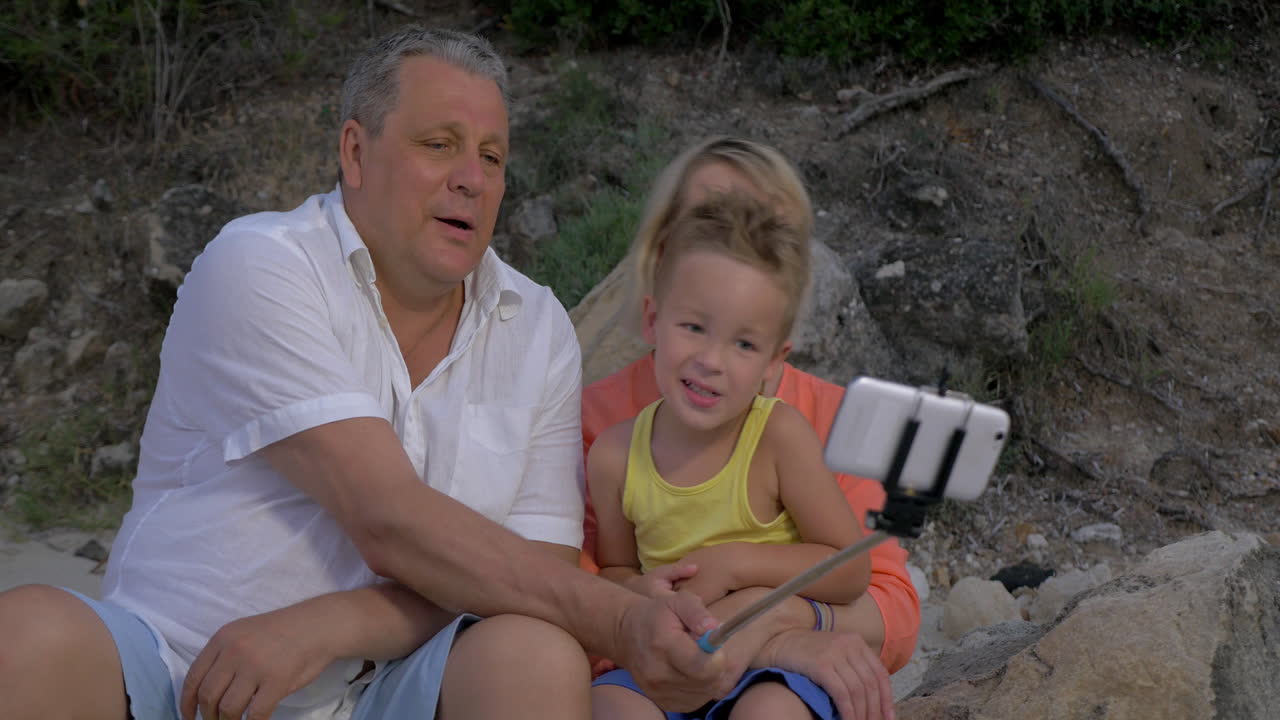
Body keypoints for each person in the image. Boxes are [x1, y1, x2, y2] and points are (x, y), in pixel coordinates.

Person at [0, 27, 757, 720]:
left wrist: (332, 626)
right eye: (440, 144)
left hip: (382, 690)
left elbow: (533, 573)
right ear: (355, 153)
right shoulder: (263, 264)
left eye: (492, 157)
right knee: (28, 632)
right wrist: (623, 621)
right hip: (178, 671)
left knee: (531, 651)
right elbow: (386, 516)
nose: (472, 178)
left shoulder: (537, 326)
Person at [579, 137, 921, 720]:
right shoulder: (601, 431)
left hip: (773, 674)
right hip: (660, 656)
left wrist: (773, 621)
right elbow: (586, 587)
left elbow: (884, 598)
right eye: (708, 221)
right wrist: (645, 604)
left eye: (764, 231)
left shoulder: (810, 424)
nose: (735, 243)